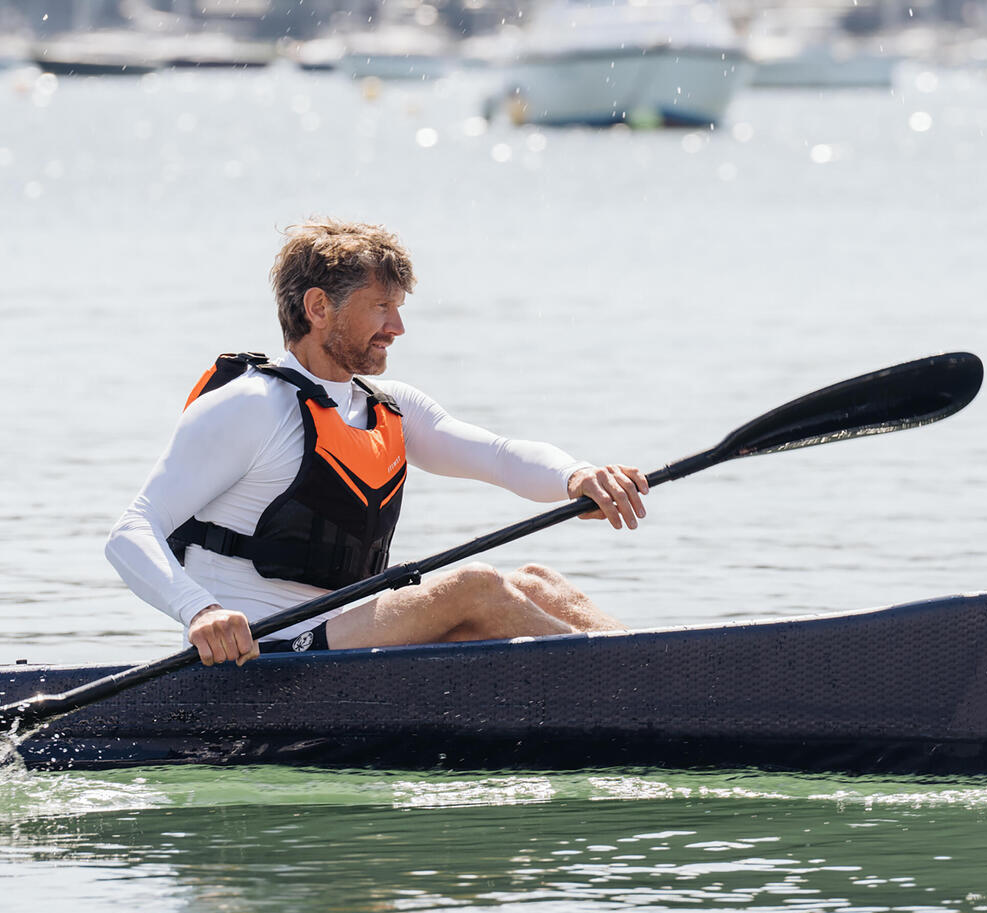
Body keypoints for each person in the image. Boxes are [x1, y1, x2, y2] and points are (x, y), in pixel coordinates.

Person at [106, 219, 648, 667]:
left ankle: (656, 669)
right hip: (263, 654)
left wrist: (575, 476)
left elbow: (499, 455)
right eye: (382, 307)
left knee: (538, 581)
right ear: (319, 308)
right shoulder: (251, 406)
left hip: (343, 642)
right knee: (475, 586)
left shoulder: (391, 407)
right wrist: (199, 611)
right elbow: (132, 530)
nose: (398, 327)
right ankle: (637, 686)